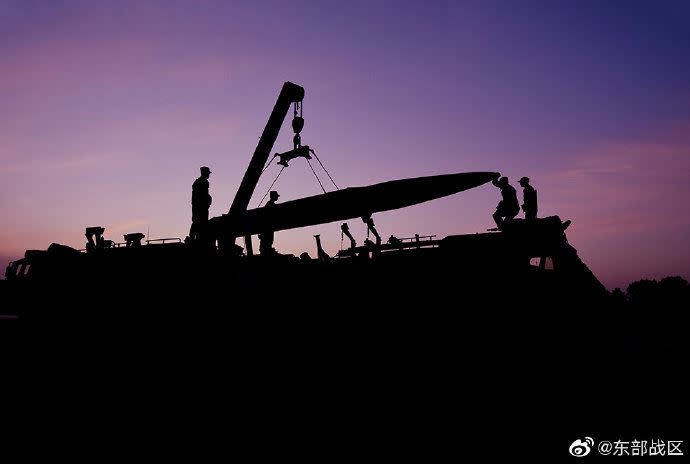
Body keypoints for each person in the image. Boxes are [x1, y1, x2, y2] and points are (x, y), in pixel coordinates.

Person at [189, 166, 212, 240]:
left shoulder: (200, 182)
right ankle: (195, 239)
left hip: (200, 207)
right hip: (200, 207)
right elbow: (201, 196)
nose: (209, 175)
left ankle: (196, 238)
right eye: (208, 173)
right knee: (199, 222)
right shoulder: (202, 182)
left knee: (198, 222)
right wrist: (207, 200)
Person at [259, 190, 279, 255]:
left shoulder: (269, 204)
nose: (277, 197)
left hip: (266, 228)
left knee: (267, 242)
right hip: (268, 227)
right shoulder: (271, 204)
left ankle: (266, 251)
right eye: (276, 196)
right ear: (273, 196)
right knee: (268, 241)